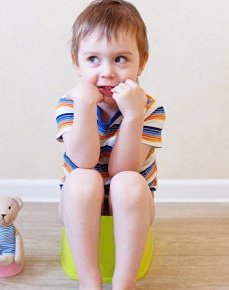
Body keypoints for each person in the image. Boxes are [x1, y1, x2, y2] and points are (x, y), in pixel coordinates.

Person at [55, 1, 166, 289]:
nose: (107, 72)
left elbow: (123, 169)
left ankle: (124, 281)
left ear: (142, 61)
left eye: (120, 59)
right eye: (93, 59)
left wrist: (132, 115)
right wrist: (83, 107)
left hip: (133, 202)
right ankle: (89, 280)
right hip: (78, 202)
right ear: (76, 62)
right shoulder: (71, 103)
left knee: (128, 181)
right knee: (82, 179)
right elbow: (83, 160)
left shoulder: (149, 108)